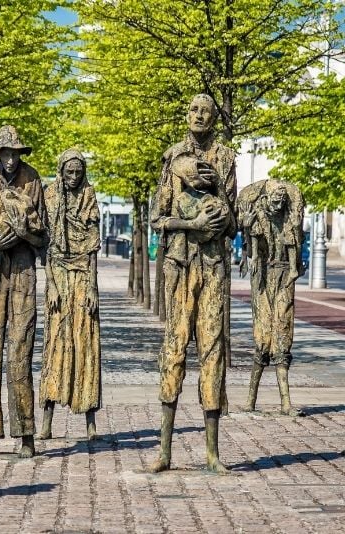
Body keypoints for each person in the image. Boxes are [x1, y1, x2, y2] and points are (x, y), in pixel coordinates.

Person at [149, 93, 236, 474]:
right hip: (180, 265)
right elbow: (157, 218)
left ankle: (212, 453)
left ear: (214, 119)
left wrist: (219, 211)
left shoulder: (227, 158)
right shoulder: (172, 157)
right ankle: (165, 451)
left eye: (206, 112)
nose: (199, 116)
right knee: (175, 346)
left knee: (213, 348)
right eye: (193, 110)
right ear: (187, 115)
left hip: (214, 264)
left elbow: (235, 221)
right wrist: (192, 225)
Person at [0, 125, 48, 458]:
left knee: (21, 348)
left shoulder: (33, 179)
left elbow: (44, 235)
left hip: (23, 270)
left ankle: (26, 433)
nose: (11, 159)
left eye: (15, 153)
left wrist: (21, 235)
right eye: (6, 153)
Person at [38, 148, 101, 441]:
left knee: (86, 342)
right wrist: (50, 284)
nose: (74, 178)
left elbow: (92, 246)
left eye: (78, 172)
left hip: (82, 275)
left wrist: (92, 287)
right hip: (59, 276)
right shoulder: (49, 196)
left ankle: (90, 422)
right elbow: (47, 248)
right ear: (61, 171)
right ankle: (47, 421)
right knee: (56, 343)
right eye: (69, 172)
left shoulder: (89, 196)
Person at [237, 180, 305, 416]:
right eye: (275, 200)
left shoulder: (289, 217)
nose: (278, 205)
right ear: (266, 198)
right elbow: (251, 240)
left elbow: (295, 242)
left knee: (283, 331)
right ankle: (251, 399)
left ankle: (285, 402)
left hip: (284, 273)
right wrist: (248, 250)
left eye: (282, 202)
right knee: (262, 334)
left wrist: (296, 229)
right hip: (263, 275)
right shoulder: (258, 213)